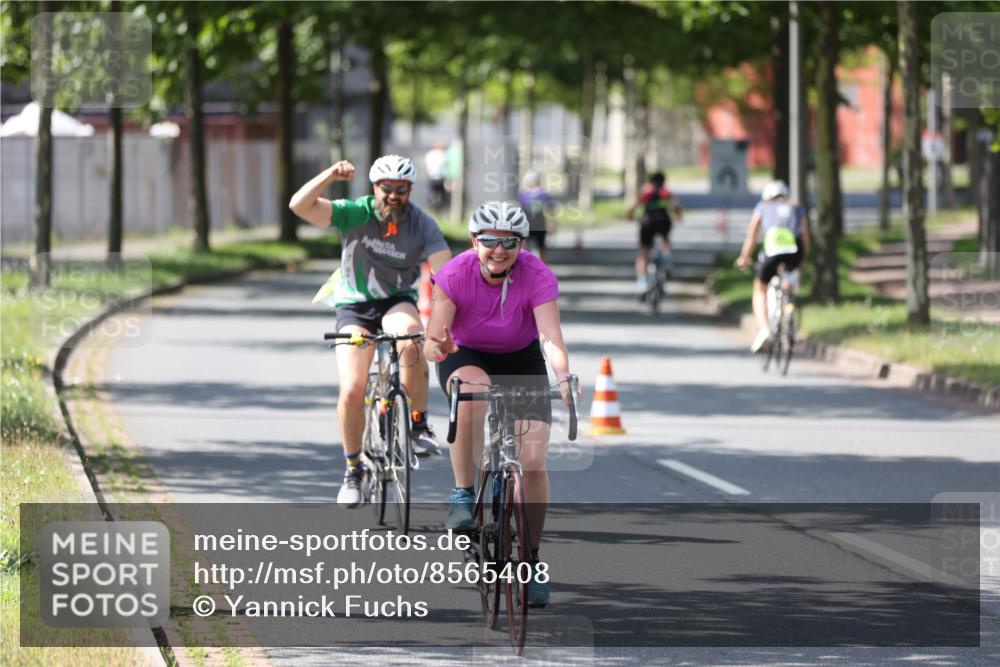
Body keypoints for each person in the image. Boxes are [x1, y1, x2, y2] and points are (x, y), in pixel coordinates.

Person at [423, 201, 575, 608]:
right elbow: (431, 343)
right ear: (474, 241)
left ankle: (531, 559)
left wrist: (563, 377)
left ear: (522, 244)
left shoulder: (537, 274)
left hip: (521, 358)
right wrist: (440, 345)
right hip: (465, 353)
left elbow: (550, 337)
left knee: (533, 459)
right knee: (472, 394)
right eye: (490, 240)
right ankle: (463, 493)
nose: (499, 250)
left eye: (510, 242)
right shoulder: (455, 273)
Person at [289, 155, 452, 507]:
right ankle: (353, 469)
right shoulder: (355, 212)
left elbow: (447, 277)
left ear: (410, 191)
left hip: (395, 301)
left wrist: (443, 324)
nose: (393, 195)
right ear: (374, 187)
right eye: (386, 188)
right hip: (355, 306)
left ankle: (418, 423)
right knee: (352, 389)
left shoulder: (421, 224)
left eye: (401, 189)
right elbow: (299, 206)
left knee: (411, 339)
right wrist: (330, 175)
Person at [736, 179, 811, 352]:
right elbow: (805, 234)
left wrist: (744, 257)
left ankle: (764, 329)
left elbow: (752, 235)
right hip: (795, 250)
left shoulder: (763, 206)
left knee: (760, 288)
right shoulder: (797, 206)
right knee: (788, 284)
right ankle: (789, 309)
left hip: (773, 251)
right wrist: (803, 257)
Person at [626, 171, 682, 291]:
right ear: (663, 181)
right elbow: (676, 206)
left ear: (651, 181)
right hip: (663, 221)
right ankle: (667, 260)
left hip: (648, 223)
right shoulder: (665, 192)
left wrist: (629, 215)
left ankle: (642, 281)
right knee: (665, 240)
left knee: (644, 251)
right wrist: (678, 216)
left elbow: (633, 205)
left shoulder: (646, 191)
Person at [517, 171, 556, 261]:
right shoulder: (523, 194)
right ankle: (525, 265)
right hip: (527, 224)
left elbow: (550, 209)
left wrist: (552, 223)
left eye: (534, 180)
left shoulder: (544, 194)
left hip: (540, 224)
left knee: (542, 247)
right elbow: (520, 210)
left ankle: (543, 267)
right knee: (524, 246)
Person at [424, 144, 448, 213]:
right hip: (440, 177)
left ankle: (434, 207)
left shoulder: (429, 154)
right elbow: (446, 166)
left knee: (433, 192)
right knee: (441, 193)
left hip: (432, 177)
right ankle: (438, 207)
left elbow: (426, 165)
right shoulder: (443, 154)